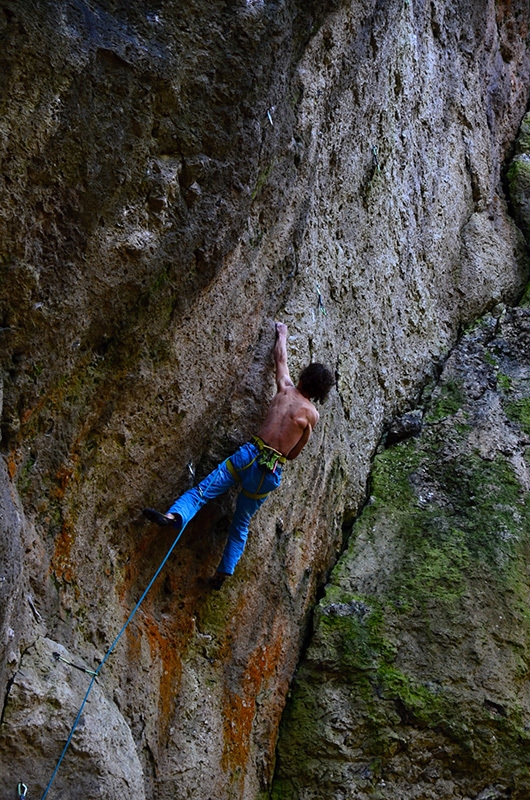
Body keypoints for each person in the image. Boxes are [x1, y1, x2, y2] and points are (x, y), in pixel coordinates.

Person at [142, 322, 335, 588]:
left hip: (248, 455)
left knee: (200, 494)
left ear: (302, 378)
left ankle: (174, 517)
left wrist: (282, 333)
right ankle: (224, 571)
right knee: (241, 524)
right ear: (320, 393)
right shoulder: (311, 416)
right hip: (268, 473)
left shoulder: (285, 388)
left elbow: (280, 357)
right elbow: (291, 456)